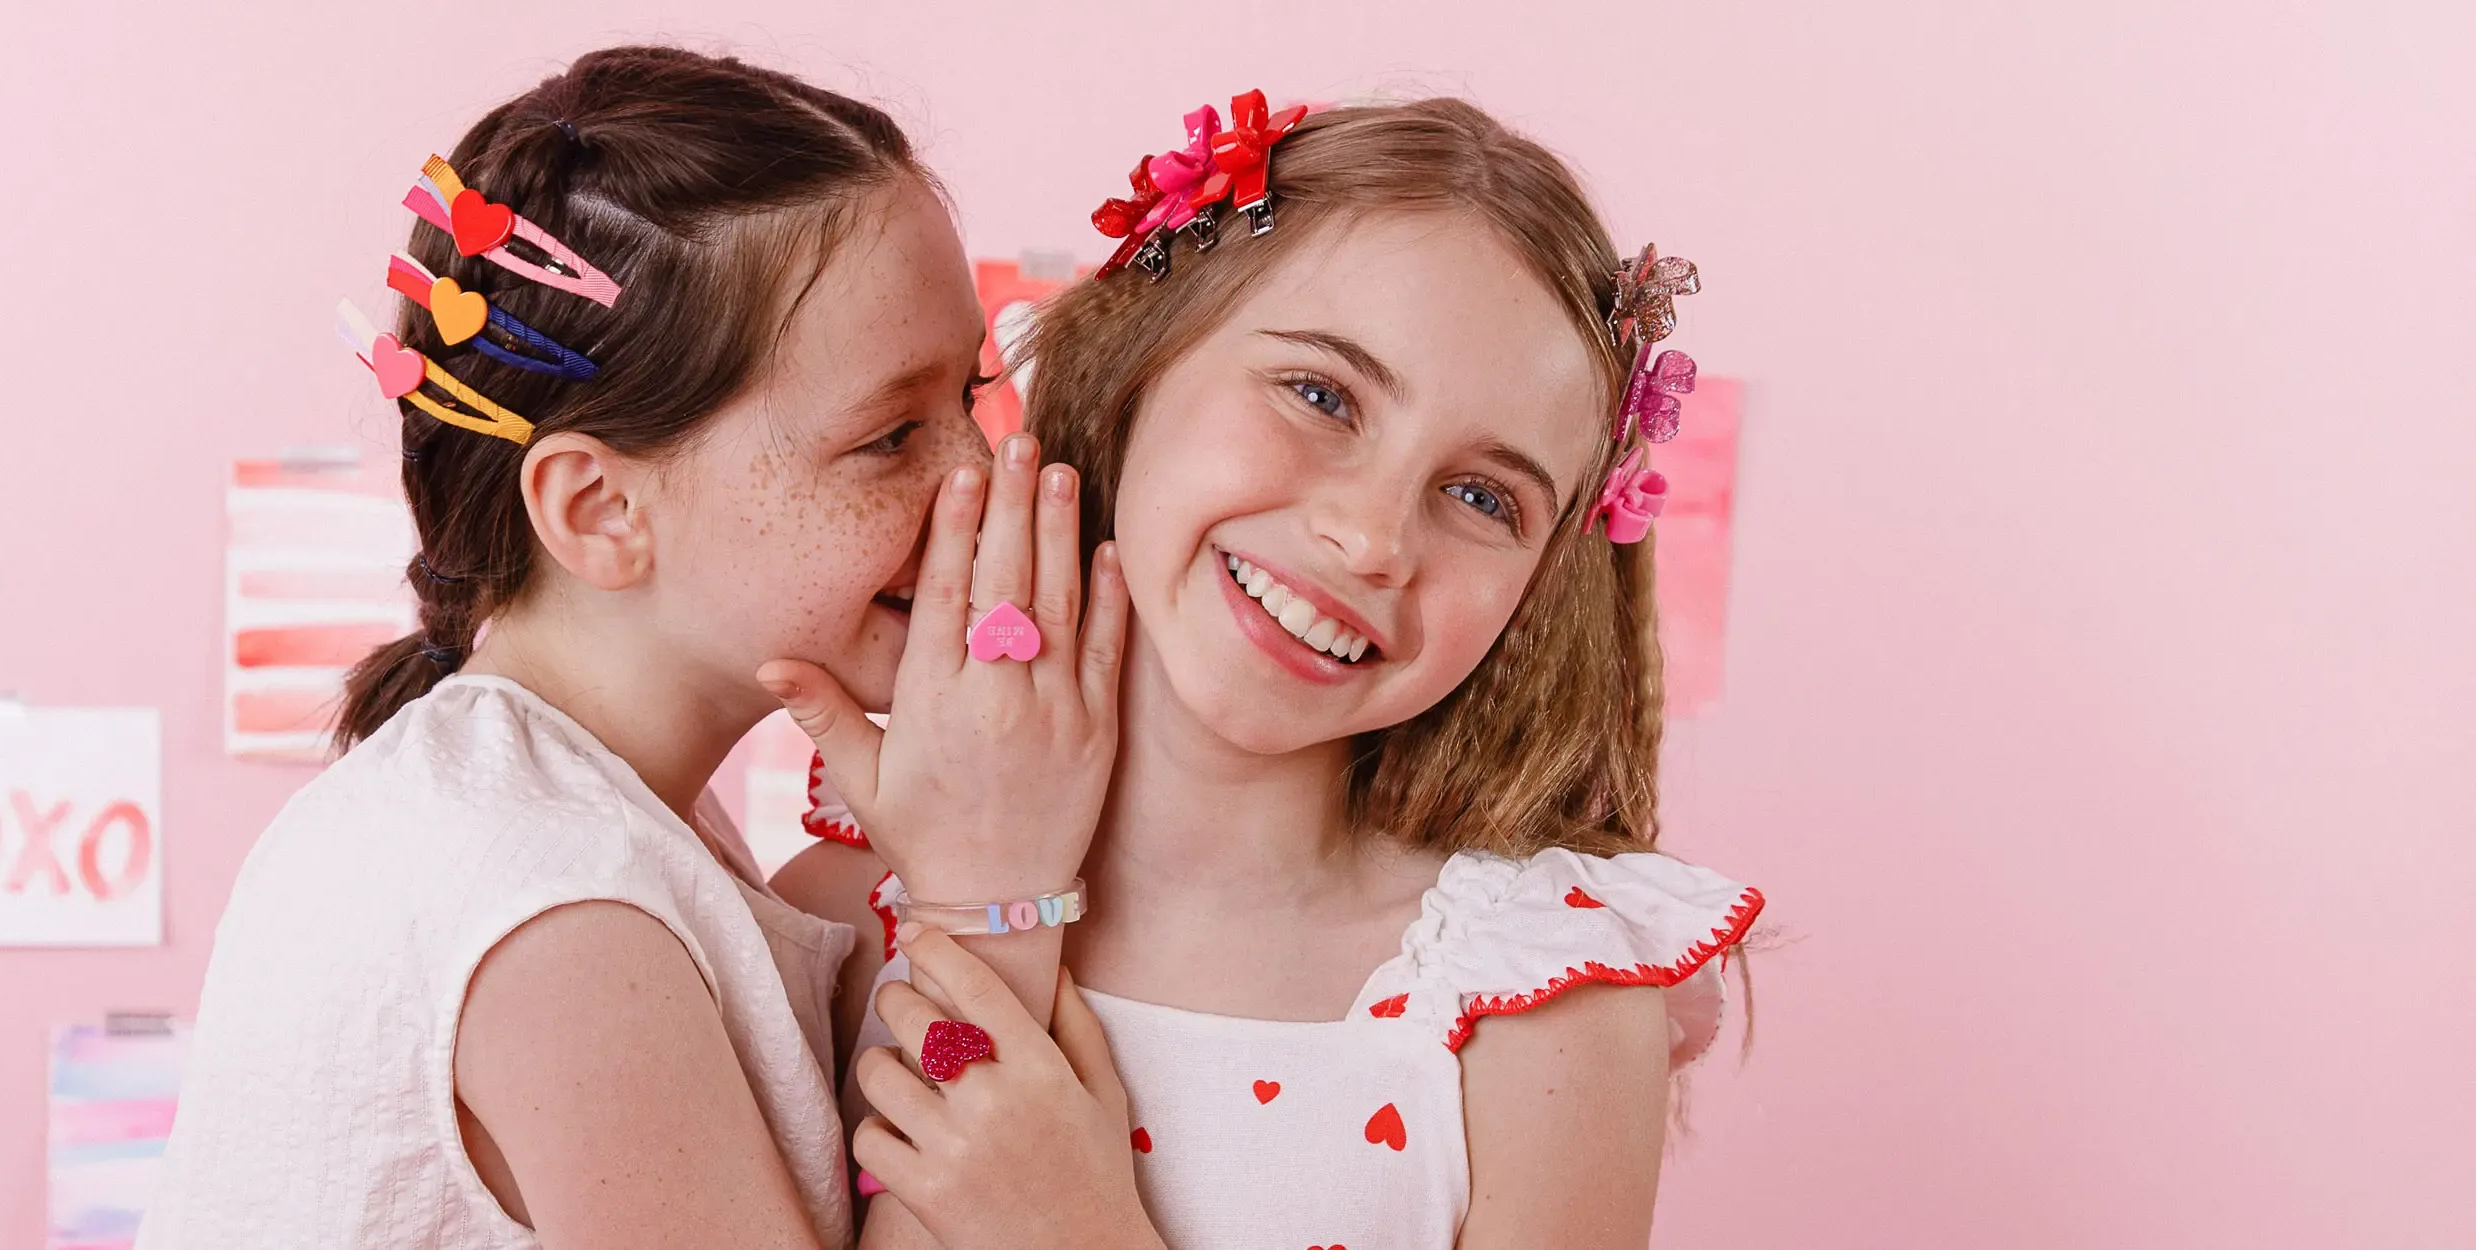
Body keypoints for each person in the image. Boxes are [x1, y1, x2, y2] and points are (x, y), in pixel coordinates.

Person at [143, 46, 1144, 1249]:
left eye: (975, 392)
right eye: (890, 436)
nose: (981, 477)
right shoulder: (555, 912)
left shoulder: (559, 820)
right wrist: (993, 903)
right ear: (600, 511)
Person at [773, 93, 1765, 1250]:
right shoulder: (839, 919)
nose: (1374, 537)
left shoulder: (1542, 1007)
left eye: (1485, 497)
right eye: (1321, 394)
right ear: (1139, 366)